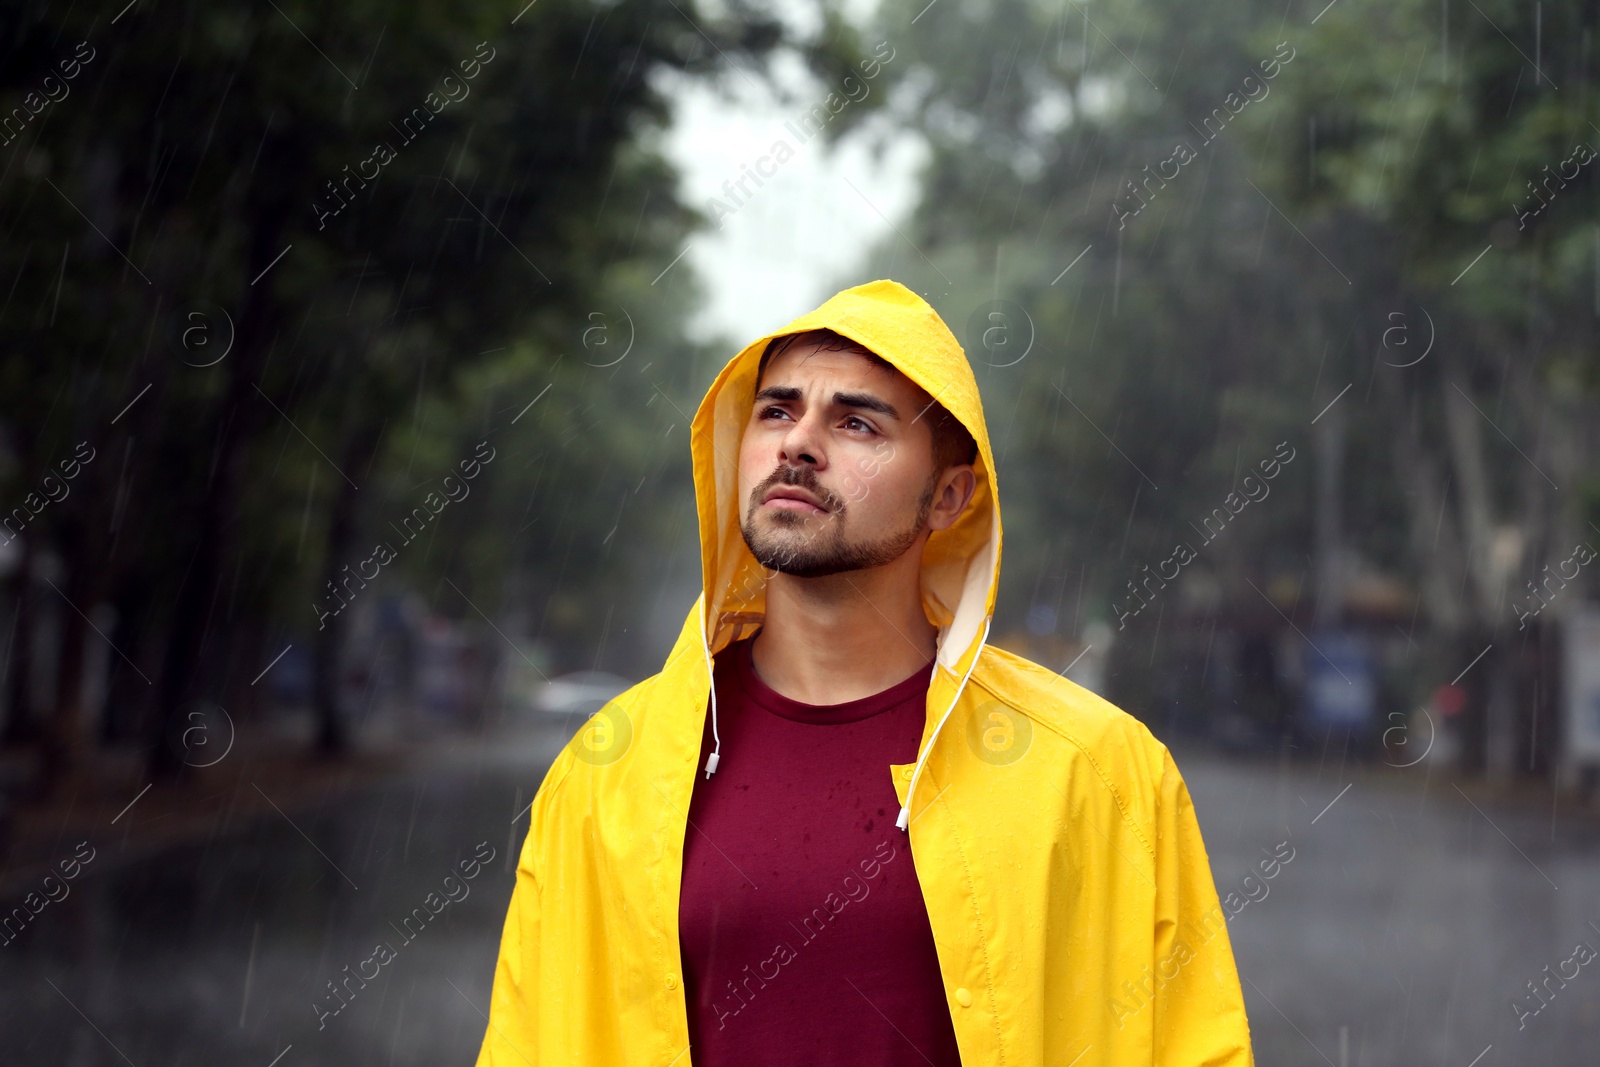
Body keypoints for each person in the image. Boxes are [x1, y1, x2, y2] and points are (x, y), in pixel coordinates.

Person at [474, 279, 1255, 1065]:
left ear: (948, 495)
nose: (798, 443)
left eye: (855, 421)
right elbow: (530, 1038)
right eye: (776, 410)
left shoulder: (1096, 771)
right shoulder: (607, 772)